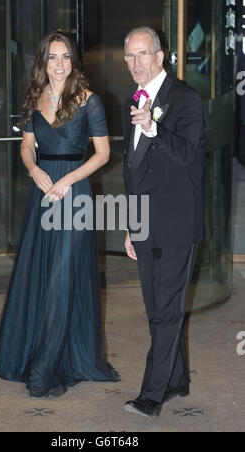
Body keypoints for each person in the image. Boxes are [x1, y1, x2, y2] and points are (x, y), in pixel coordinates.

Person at [0, 31, 118, 398]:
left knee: (61, 277)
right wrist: (35, 171)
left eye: (65, 57)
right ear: (42, 62)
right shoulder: (34, 98)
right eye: (52, 57)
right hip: (42, 193)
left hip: (74, 195)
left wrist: (68, 180)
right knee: (39, 275)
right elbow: (27, 147)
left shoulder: (90, 101)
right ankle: (33, 352)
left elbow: (103, 154)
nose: (59, 64)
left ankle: (44, 369)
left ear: (73, 61)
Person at [122, 27, 206, 417]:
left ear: (160, 56)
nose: (134, 63)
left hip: (176, 222)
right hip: (143, 223)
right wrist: (129, 224)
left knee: (165, 310)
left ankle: (152, 395)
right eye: (129, 56)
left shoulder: (186, 99)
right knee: (157, 304)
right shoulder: (134, 101)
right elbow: (134, 171)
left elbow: (188, 155)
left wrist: (153, 128)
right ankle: (178, 379)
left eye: (142, 54)